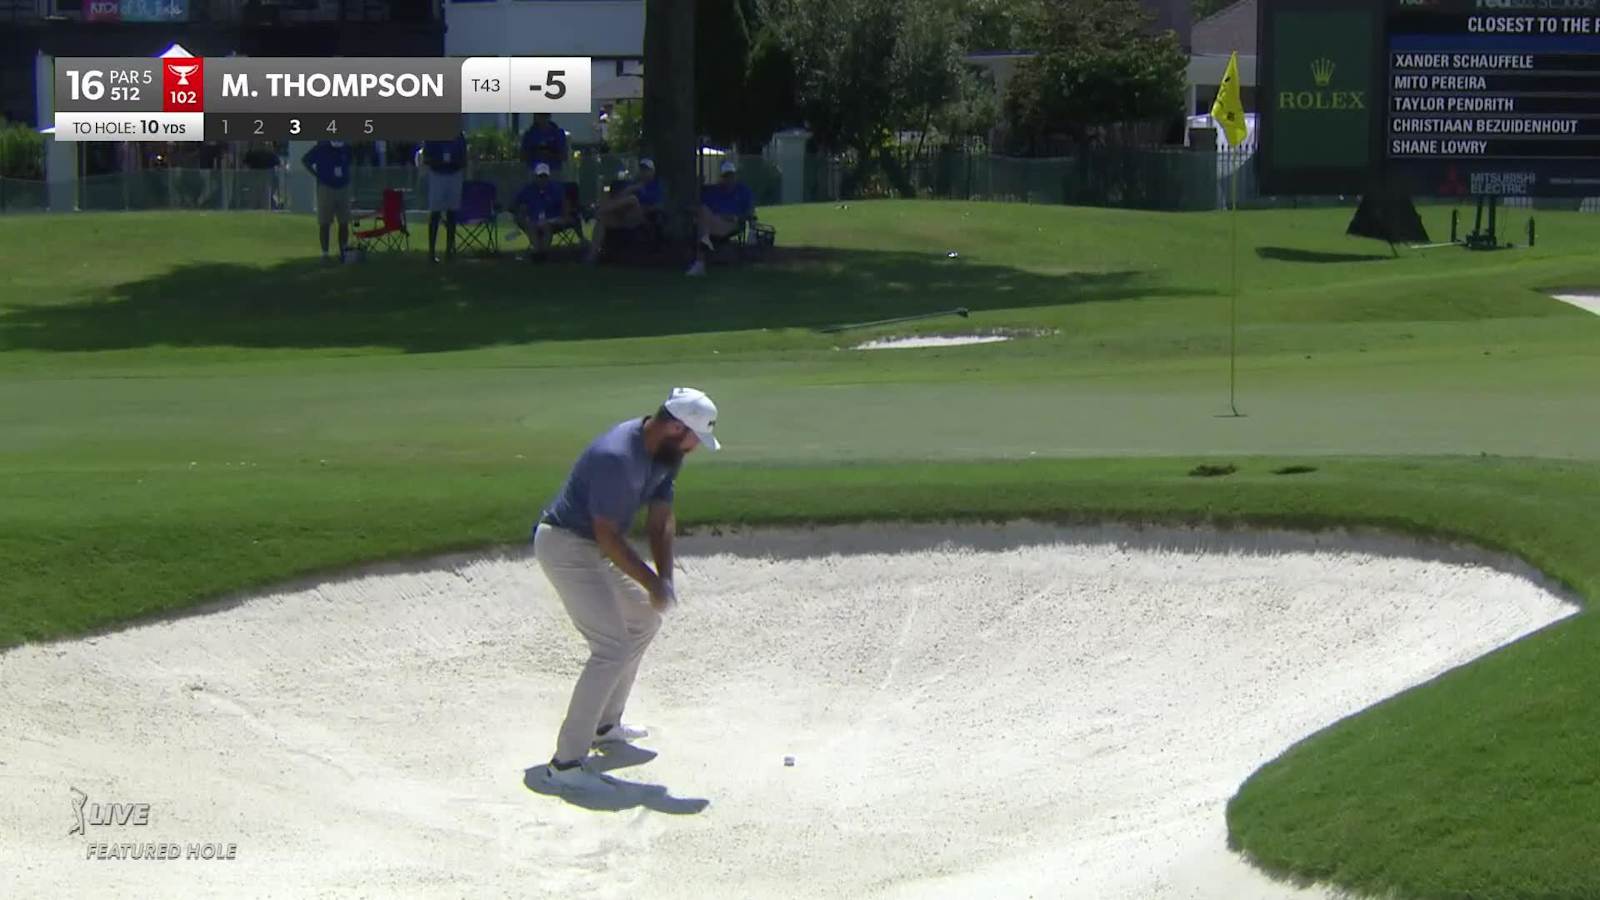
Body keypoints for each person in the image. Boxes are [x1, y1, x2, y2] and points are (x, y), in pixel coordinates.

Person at [529, 387, 722, 794]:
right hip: (565, 544)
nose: (695, 450)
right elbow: (608, 536)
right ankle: (565, 765)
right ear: (674, 427)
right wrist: (650, 582)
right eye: (693, 440)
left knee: (644, 618)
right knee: (611, 646)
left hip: (592, 548)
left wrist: (664, 579)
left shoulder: (666, 455)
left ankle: (605, 725)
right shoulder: (617, 456)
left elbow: (660, 521)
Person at [585, 158, 662, 264]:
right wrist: (631, 189)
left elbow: (658, 206)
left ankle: (596, 211)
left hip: (642, 218)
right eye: (642, 169)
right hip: (623, 216)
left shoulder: (656, 186)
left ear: (653, 172)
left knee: (633, 199)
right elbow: (618, 200)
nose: (644, 172)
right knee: (602, 220)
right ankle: (592, 256)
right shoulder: (633, 183)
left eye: (647, 170)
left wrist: (644, 206)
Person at [687, 160, 756, 277]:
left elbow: (750, 213)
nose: (729, 179)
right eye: (726, 176)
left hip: (731, 223)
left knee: (703, 224)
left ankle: (700, 263)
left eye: (731, 175)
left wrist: (734, 217)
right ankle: (700, 262)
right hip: (713, 222)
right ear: (721, 177)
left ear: (735, 175)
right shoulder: (714, 191)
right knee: (703, 214)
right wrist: (698, 186)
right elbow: (697, 206)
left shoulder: (743, 191)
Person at [511, 163, 580, 260]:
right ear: (535, 177)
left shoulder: (557, 189)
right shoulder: (527, 190)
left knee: (546, 226)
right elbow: (517, 205)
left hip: (553, 219)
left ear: (548, 177)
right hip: (533, 219)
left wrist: (566, 216)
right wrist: (521, 215)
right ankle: (538, 251)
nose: (542, 179)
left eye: (545, 176)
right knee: (531, 226)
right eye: (540, 176)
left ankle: (542, 253)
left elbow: (565, 204)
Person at [419, 130, 468, 262]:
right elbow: (426, 157)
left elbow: (464, 157)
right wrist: (439, 160)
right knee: (435, 213)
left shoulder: (458, 135)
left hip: (454, 174)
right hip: (437, 175)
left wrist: (455, 161)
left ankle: (450, 250)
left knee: (452, 213)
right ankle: (431, 252)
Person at [301, 139, 353, 260]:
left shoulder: (346, 147)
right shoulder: (321, 147)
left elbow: (349, 162)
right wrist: (318, 176)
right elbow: (305, 160)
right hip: (326, 188)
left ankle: (343, 251)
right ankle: (325, 253)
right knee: (324, 222)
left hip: (343, 187)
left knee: (344, 222)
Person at [520, 113, 569, 178]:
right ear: (535, 116)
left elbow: (564, 156)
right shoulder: (529, 134)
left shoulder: (558, 133)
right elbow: (523, 156)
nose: (542, 118)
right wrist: (535, 151)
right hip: (534, 171)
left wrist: (550, 152)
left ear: (549, 116)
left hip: (553, 170)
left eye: (545, 115)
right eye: (540, 115)